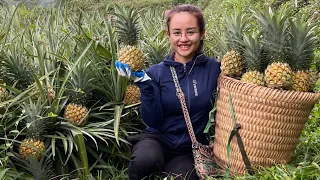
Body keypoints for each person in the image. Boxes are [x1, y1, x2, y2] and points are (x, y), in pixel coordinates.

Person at [115, 4, 221, 180]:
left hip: (190, 147)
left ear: (202, 33)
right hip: (158, 139)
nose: (184, 39)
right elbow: (152, 121)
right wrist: (144, 85)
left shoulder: (214, 69)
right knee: (145, 161)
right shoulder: (156, 72)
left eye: (191, 32)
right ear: (168, 35)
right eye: (177, 32)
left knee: (184, 176)